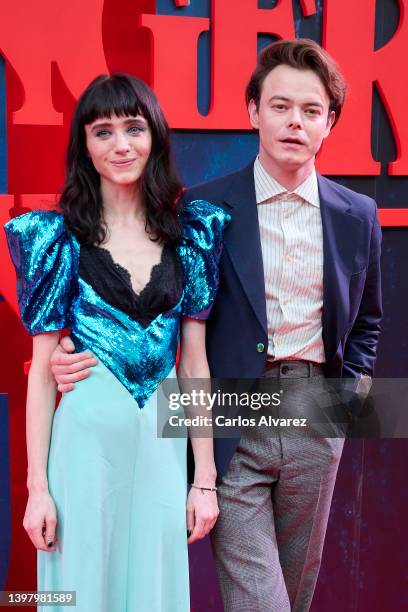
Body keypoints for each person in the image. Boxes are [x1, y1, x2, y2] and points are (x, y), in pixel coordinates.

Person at [50, 40, 382, 612]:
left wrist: (348, 400)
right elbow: (151, 298)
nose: (294, 123)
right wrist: (72, 346)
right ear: (253, 111)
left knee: (294, 595)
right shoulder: (201, 210)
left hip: (317, 409)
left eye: (311, 111)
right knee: (260, 602)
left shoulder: (357, 214)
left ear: (330, 122)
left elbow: (368, 321)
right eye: (279, 106)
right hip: (230, 410)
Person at [4, 73, 229, 612]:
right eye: (102, 132)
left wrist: (206, 480)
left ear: (155, 136)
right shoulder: (55, 240)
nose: (121, 144)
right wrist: (38, 488)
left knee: (157, 589)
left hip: (163, 446)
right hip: (82, 446)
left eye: (134, 127)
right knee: (80, 591)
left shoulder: (190, 235)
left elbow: (194, 365)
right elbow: (41, 372)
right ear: (84, 144)